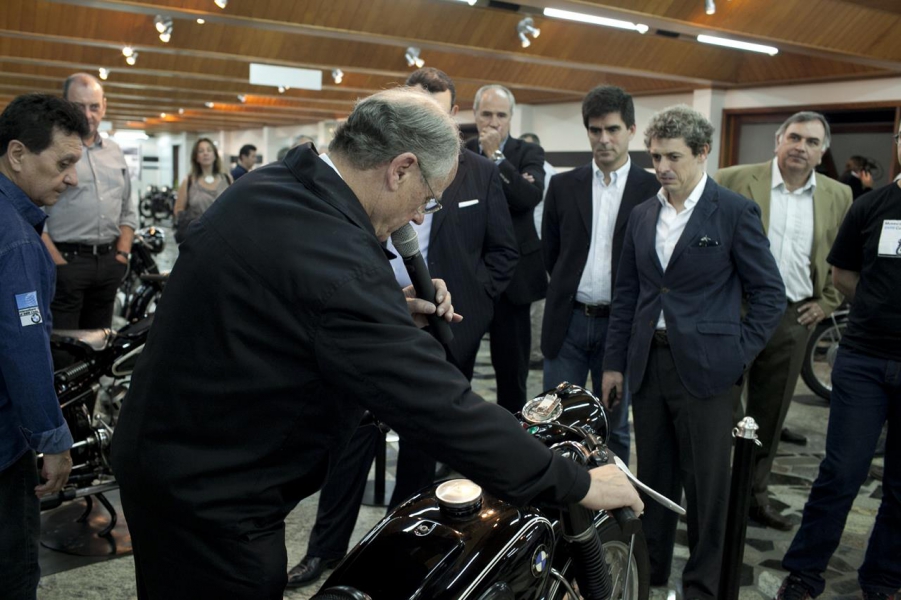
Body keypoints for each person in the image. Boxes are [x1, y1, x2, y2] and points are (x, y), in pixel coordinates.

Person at [110, 87, 642, 600]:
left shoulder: (275, 185)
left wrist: (385, 311)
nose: (419, 217)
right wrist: (574, 484)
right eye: (427, 200)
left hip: (167, 458)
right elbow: (438, 404)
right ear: (400, 168)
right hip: (212, 497)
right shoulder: (338, 261)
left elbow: (293, 310)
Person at [286, 68, 519, 588]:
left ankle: (403, 552)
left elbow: (504, 251)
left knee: (424, 442)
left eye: (434, 112)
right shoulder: (359, 186)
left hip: (440, 323)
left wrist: (472, 304)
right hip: (369, 313)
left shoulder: (479, 173)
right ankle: (325, 549)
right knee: (352, 440)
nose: (418, 215)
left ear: (451, 116)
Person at [601, 105, 785, 600]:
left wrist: (737, 354)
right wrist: (614, 363)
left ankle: (703, 586)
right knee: (654, 480)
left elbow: (770, 294)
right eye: (656, 157)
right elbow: (628, 294)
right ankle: (653, 572)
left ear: (703, 152)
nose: (662, 167)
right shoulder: (643, 213)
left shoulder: (733, 211)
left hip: (709, 370)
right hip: (649, 364)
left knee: (707, 487)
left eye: (674, 157)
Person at [774, 127, 901, 600]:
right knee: (842, 473)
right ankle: (804, 574)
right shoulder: (870, 206)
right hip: (865, 359)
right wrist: (879, 306)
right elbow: (843, 273)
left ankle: (884, 578)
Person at [715, 111, 852, 531]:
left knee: (769, 416)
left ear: (822, 152)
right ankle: (713, 495)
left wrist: (828, 302)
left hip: (794, 317)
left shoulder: (838, 194)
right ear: (778, 141)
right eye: (794, 137)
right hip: (735, 312)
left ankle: (753, 497)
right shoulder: (732, 179)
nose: (801, 147)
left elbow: (845, 254)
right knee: (719, 407)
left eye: (812, 142)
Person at [542, 86, 659, 465]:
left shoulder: (652, 189)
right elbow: (552, 253)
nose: (604, 139)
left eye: (612, 129)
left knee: (614, 427)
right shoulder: (563, 185)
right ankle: (561, 498)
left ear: (632, 130)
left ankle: (612, 499)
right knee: (557, 423)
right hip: (569, 322)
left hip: (620, 326)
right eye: (595, 130)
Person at [0, 93, 86, 598]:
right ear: (17, 154)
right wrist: (52, 440)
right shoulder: (14, 240)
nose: (72, 179)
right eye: (63, 163)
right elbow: (23, 347)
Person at [465, 84, 547, 414]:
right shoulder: (462, 151)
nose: (494, 122)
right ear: (475, 115)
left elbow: (528, 198)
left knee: (513, 376)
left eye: (501, 115)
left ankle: (514, 441)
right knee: (457, 371)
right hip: (469, 276)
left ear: (511, 117)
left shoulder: (528, 153)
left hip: (514, 282)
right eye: (487, 114)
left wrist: (496, 157)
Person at [41, 73, 137, 330]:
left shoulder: (114, 151)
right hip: (66, 263)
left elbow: (128, 208)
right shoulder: (49, 149)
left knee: (100, 341)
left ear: (104, 106)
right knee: (63, 345)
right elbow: (34, 214)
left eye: (94, 106)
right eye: (78, 106)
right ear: (64, 104)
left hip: (109, 264)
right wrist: (58, 264)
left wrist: (122, 255)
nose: (87, 115)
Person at [518, 132, 556, 372]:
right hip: (529, 243)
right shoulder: (523, 170)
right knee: (533, 302)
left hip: (540, 243)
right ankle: (532, 351)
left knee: (538, 302)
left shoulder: (547, 172)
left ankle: (534, 352)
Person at [173, 138, 232, 244]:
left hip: (224, 236)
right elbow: (178, 209)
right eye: (201, 151)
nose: (206, 153)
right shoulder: (189, 181)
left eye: (209, 150)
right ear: (196, 157)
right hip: (198, 237)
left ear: (215, 155)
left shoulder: (227, 179)